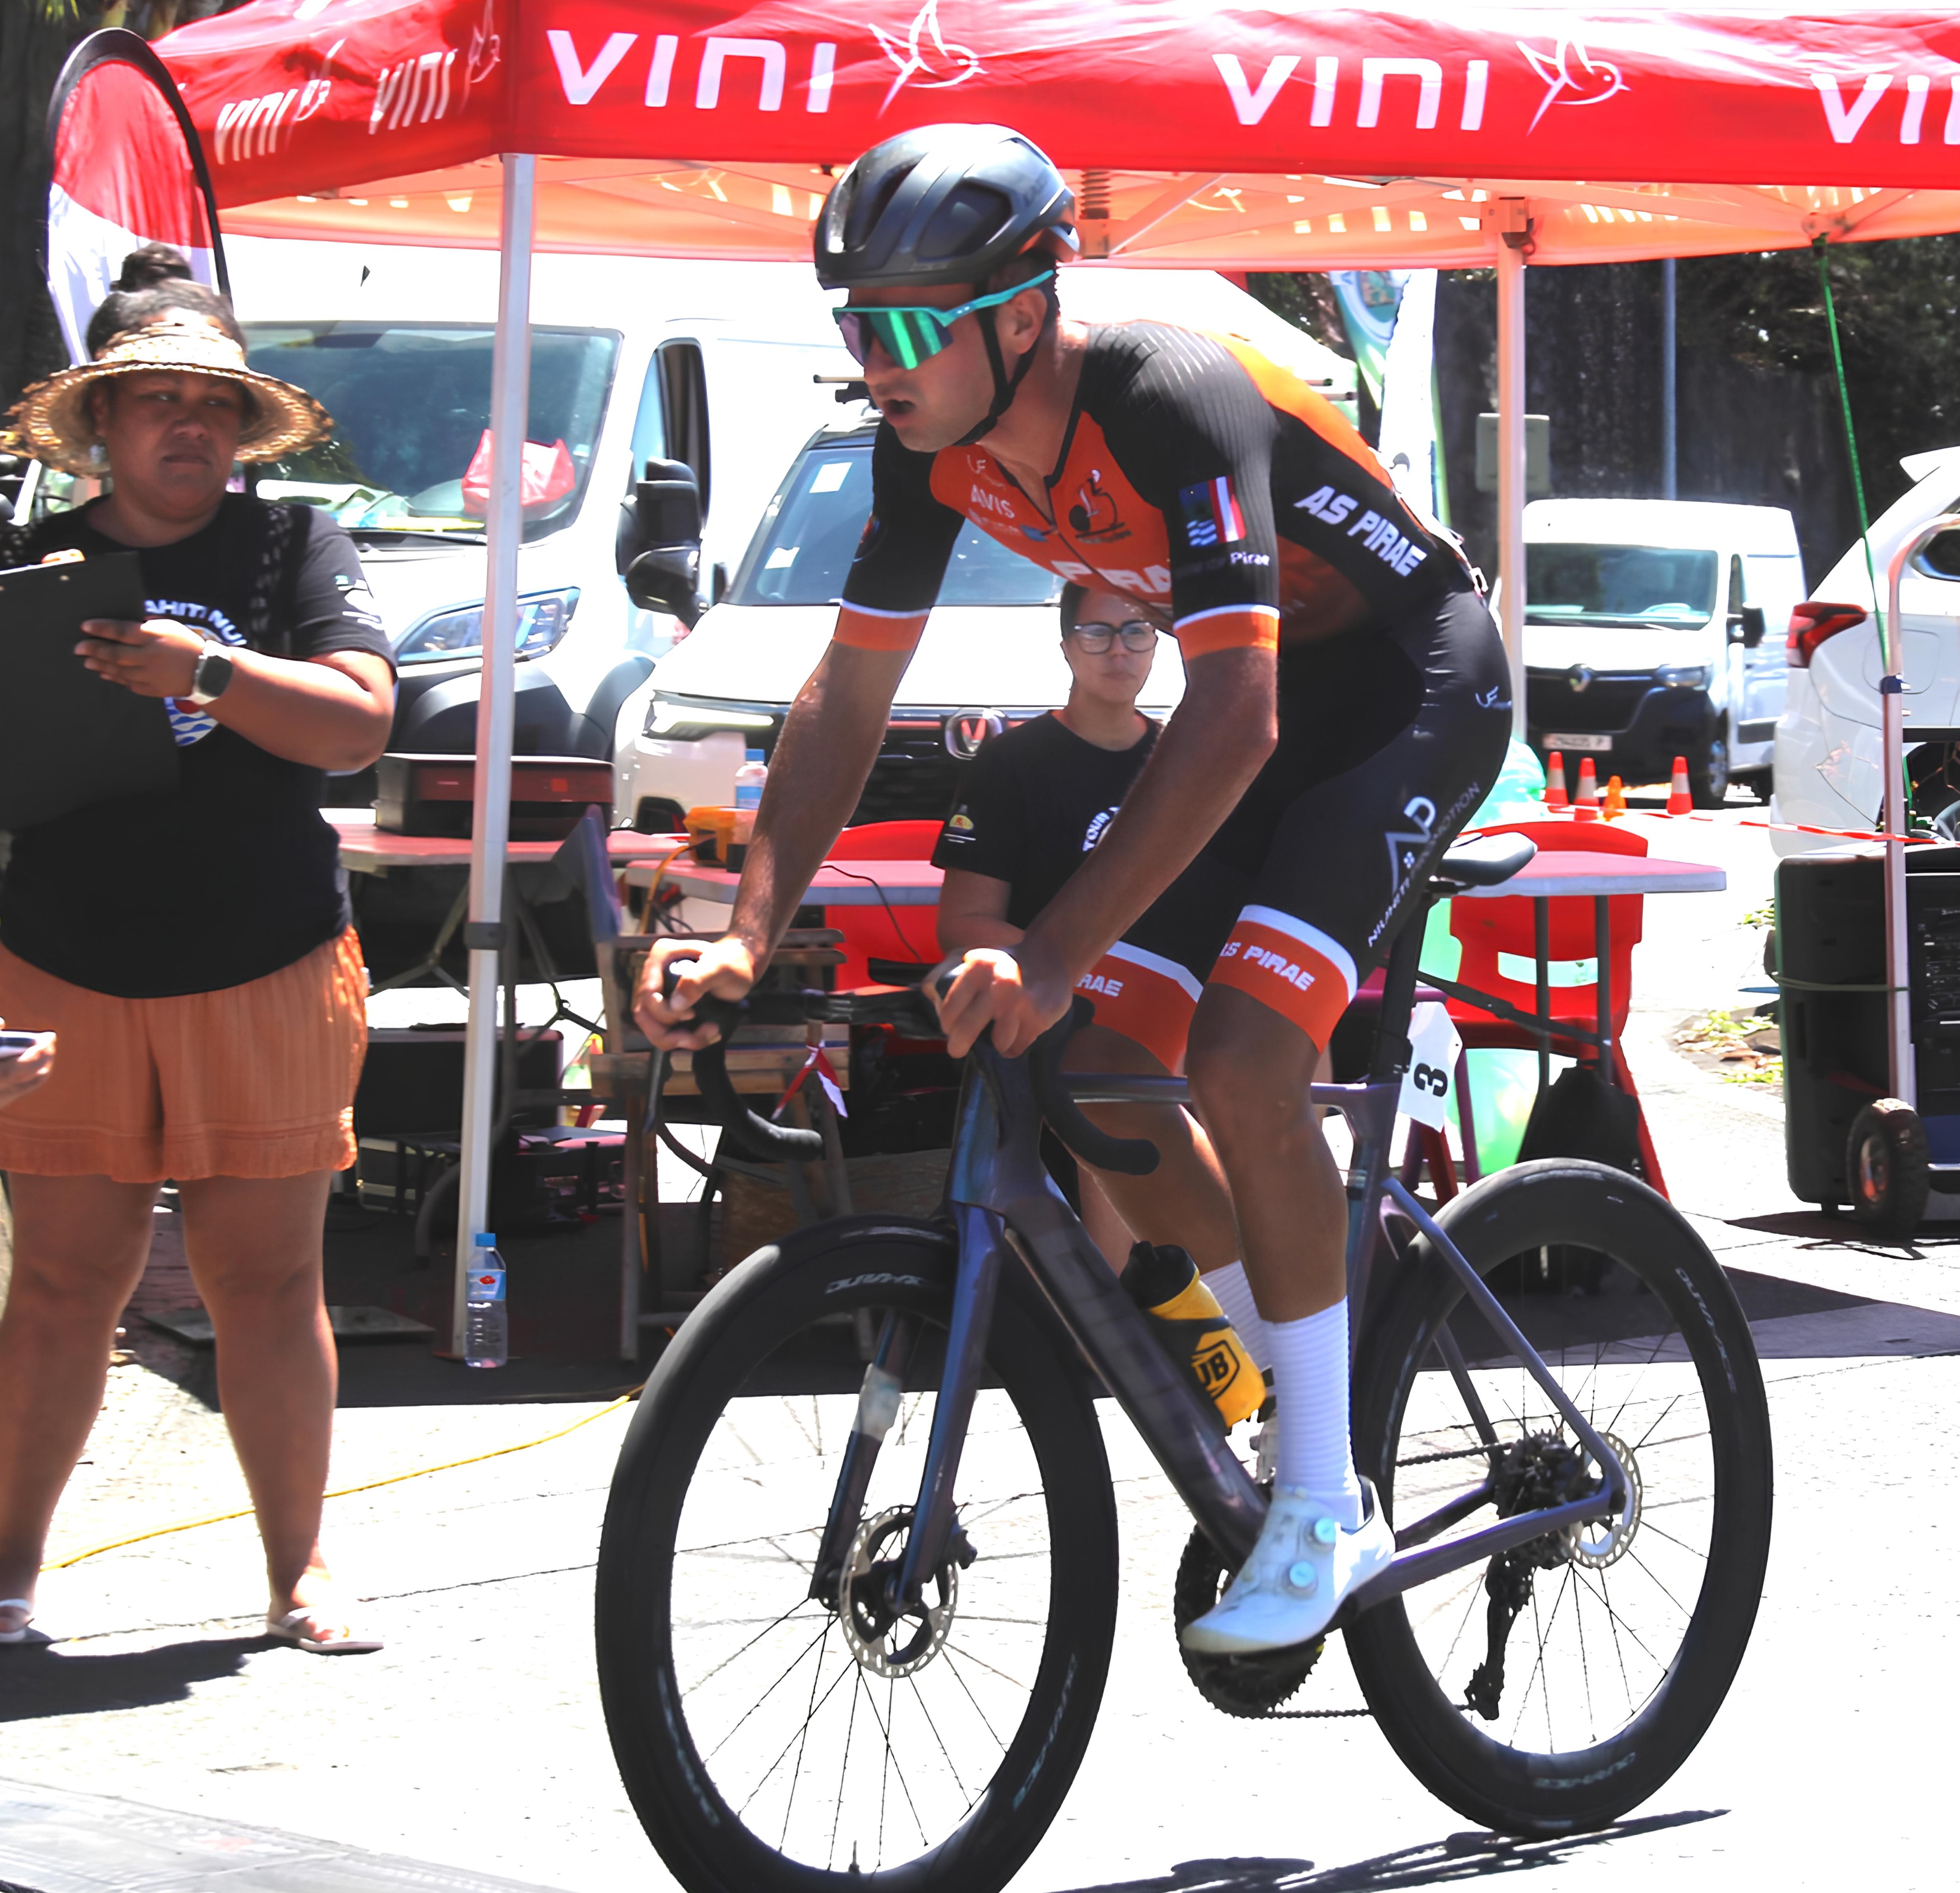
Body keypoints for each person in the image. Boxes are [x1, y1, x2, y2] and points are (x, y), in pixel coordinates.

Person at [639, 125, 1509, 1655]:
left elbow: (1232, 717)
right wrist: (733, 921)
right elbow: (839, 702)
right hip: (1274, 698)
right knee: (1106, 1068)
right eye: (855, 320)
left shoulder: (1171, 398)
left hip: (1409, 682)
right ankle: (1283, 1390)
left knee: (1242, 1054)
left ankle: (1325, 1494)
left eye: (905, 321)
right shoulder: (928, 454)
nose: (873, 356)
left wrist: (1048, 944)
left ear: (1022, 313)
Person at [0, 247, 396, 1653]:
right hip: (59, 966)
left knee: (269, 1283)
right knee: (56, 1286)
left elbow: (359, 724)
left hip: (266, 958)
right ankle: (7, 1583)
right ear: (96, 423)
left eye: (214, 403)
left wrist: (208, 673)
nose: (188, 425)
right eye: (153, 398)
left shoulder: (295, 550)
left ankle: (301, 1573)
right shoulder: (25, 566)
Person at [933, 585, 1260, 1350]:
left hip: (1190, 1002)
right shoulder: (1013, 763)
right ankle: (1113, 1332)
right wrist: (1068, 967)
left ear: (1161, 644)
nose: (1118, 649)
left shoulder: (1191, 762)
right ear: (1064, 645)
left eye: (1137, 632)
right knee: (1103, 1073)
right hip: (1068, 1010)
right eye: (1096, 632)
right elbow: (962, 923)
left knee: (1267, 1056)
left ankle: (1251, 1314)